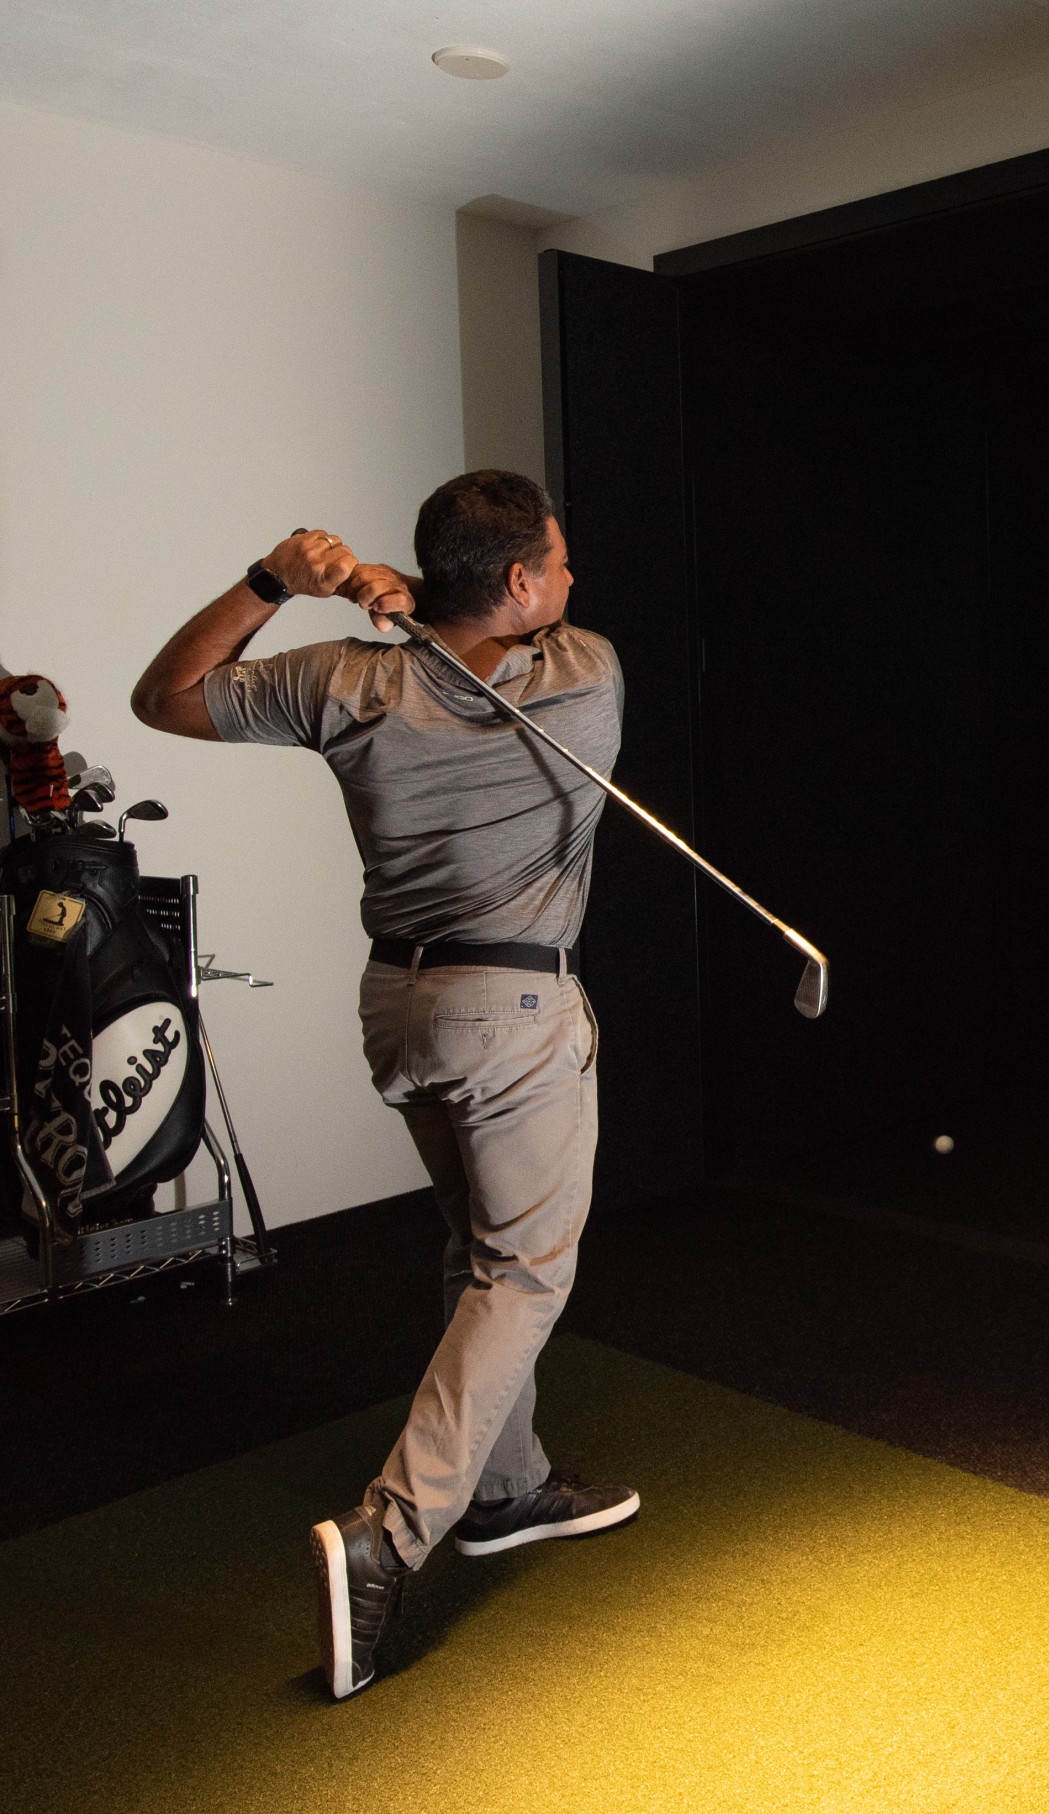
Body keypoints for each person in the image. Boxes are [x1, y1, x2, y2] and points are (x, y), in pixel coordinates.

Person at [132, 471, 639, 1700]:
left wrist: (275, 581)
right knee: (526, 1273)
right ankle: (392, 1534)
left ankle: (505, 1488)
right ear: (518, 582)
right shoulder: (584, 675)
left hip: (400, 1005)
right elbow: (481, 622)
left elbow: (166, 696)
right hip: (512, 1012)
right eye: (555, 561)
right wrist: (408, 594)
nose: (570, 577)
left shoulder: (344, 680)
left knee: (477, 1249)